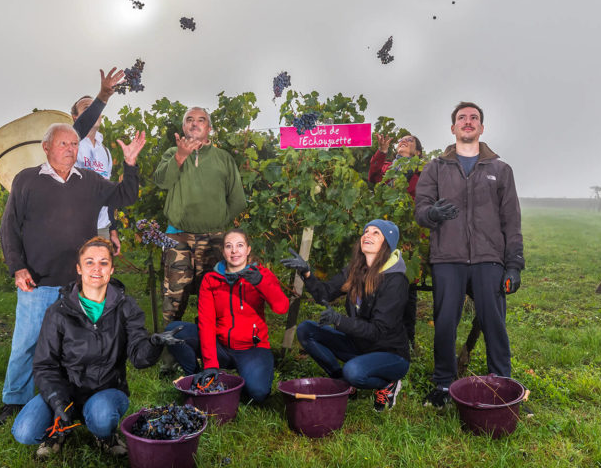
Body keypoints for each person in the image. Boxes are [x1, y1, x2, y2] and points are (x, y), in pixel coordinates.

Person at [0, 123, 146, 425]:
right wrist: (18, 267)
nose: (70, 149)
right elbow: (9, 228)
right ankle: (14, 400)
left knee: (78, 345)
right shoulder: (26, 181)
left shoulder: (90, 181)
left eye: (74, 144)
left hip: (81, 286)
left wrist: (130, 164)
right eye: (63, 144)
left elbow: (125, 195)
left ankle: (76, 396)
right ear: (46, 147)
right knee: (26, 342)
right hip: (38, 281)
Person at [11, 237, 182, 459]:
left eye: (103, 262)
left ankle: (104, 434)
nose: (96, 268)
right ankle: (58, 431)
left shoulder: (126, 307)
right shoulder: (58, 312)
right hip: (66, 390)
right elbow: (45, 365)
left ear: (111, 269)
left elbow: (139, 359)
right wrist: (58, 401)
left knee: (101, 418)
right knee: (24, 431)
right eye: (89, 262)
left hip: (106, 390)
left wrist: (153, 344)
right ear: (79, 269)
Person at [413, 101, 524, 408]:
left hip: (489, 258)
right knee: (445, 322)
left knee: (494, 323)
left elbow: (511, 220)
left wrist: (513, 265)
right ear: (453, 128)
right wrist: (432, 213)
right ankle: (444, 386)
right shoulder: (435, 168)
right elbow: (420, 209)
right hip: (447, 258)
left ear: (481, 128)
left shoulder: (500, 170)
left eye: (474, 118)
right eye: (462, 117)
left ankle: (502, 382)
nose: (468, 121)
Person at [284, 220, 411, 412]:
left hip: (390, 354)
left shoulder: (396, 281)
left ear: (387, 243)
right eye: (366, 231)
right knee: (306, 330)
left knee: (353, 370)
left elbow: (378, 331)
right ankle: (344, 383)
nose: (367, 235)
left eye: (376, 233)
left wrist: (339, 320)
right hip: (359, 345)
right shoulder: (354, 270)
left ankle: (387, 384)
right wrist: (307, 273)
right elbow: (325, 293)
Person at [152, 107, 247, 338]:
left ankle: (209, 351)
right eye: (189, 120)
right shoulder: (172, 153)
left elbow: (237, 200)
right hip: (177, 237)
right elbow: (162, 181)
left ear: (209, 128)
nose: (195, 124)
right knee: (173, 298)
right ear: (183, 127)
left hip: (214, 239)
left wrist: (216, 223)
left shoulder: (223, 158)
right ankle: (169, 357)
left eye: (201, 120)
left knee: (214, 299)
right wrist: (180, 157)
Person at [164, 229, 289, 403]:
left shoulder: (261, 275)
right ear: (223, 252)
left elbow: (282, 307)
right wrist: (210, 364)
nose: (234, 251)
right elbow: (206, 323)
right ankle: (196, 377)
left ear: (248, 250)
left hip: (251, 349)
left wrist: (260, 283)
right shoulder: (211, 279)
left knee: (258, 394)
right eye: (229, 246)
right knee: (173, 331)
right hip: (220, 346)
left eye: (240, 245)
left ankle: (240, 379)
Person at [70, 67, 125, 254]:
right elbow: (79, 129)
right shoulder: (72, 142)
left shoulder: (105, 152)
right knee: (74, 278)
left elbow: (107, 194)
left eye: (96, 109)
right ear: (76, 118)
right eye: (88, 109)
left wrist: (112, 229)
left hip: (101, 227)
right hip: (74, 226)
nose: (95, 113)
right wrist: (102, 97)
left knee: (100, 277)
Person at [369, 133, 424, 200]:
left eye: (409, 140)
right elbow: (373, 177)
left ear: (417, 152)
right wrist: (382, 151)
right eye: (401, 140)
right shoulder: (387, 166)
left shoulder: (422, 175)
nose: (403, 141)